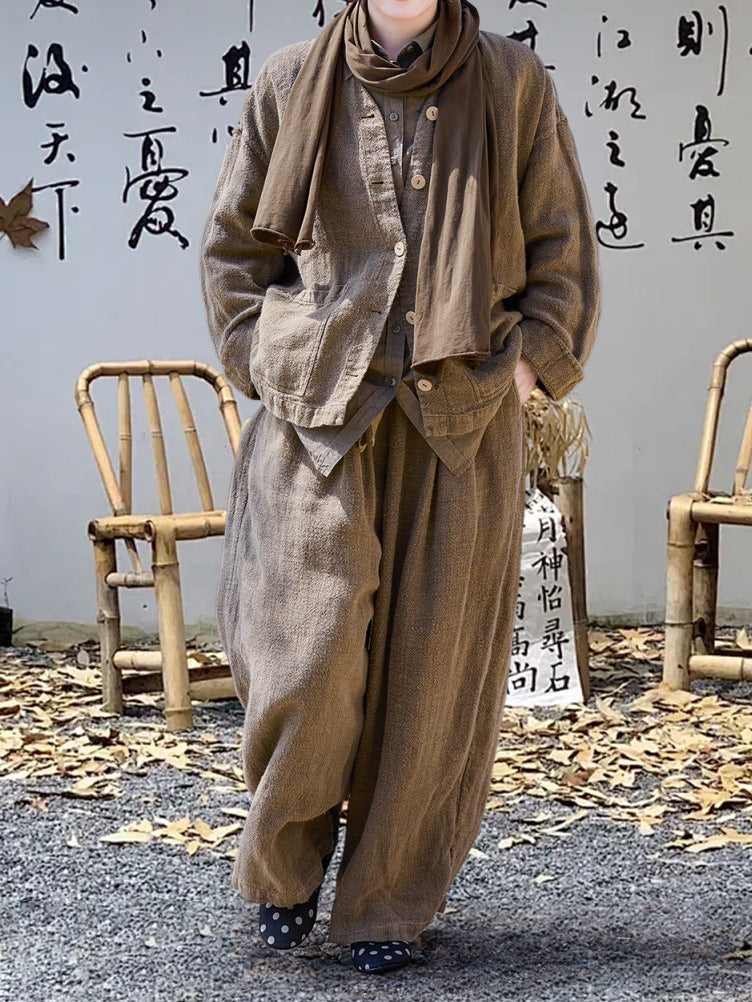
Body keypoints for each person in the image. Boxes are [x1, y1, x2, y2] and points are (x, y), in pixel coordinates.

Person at [199, 0, 600, 976]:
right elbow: (233, 252)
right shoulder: (290, 80)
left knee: (434, 680)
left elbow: (562, 251)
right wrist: (262, 358)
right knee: (306, 658)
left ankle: (386, 901)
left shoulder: (511, 83)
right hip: (316, 413)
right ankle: (284, 866)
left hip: (460, 422)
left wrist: (519, 371)